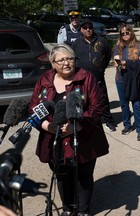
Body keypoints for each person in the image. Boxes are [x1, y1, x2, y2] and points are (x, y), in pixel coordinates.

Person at [29, 44, 109, 215]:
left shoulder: (86, 78)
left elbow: (97, 107)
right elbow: (33, 108)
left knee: (83, 177)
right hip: (54, 140)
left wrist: (76, 127)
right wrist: (47, 126)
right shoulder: (44, 81)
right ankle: (67, 209)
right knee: (62, 176)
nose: (66, 63)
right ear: (53, 63)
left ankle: (82, 211)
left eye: (70, 58)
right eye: (61, 60)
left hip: (83, 139)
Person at [72, 19, 116, 132]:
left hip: (98, 77)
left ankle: (108, 121)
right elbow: (73, 59)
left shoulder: (102, 41)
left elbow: (107, 56)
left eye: (90, 27)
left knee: (103, 100)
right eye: (85, 28)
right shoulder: (76, 43)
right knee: (83, 101)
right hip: (82, 79)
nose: (88, 30)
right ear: (81, 29)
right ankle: (85, 121)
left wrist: (101, 68)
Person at [113, 24, 140, 141]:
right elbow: (117, 62)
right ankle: (127, 125)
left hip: (134, 80)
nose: (125, 35)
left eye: (127, 32)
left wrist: (127, 63)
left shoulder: (139, 46)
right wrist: (126, 63)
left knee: (136, 104)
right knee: (124, 104)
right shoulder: (118, 47)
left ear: (131, 33)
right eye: (122, 33)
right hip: (121, 79)